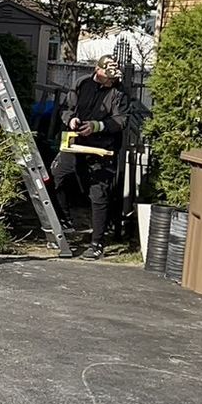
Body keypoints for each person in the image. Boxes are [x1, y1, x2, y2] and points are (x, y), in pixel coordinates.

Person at [50, 56, 129, 257]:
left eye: (114, 77)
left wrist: (96, 126)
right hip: (75, 144)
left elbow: (121, 120)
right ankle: (65, 220)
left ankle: (96, 244)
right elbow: (66, 108)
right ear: (97, 70)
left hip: (102, 148)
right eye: (107, 76)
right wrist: (71, 120)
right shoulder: (82, 83)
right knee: (57, 175)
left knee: (98, 194)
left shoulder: (119, 92)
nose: (111, 80)